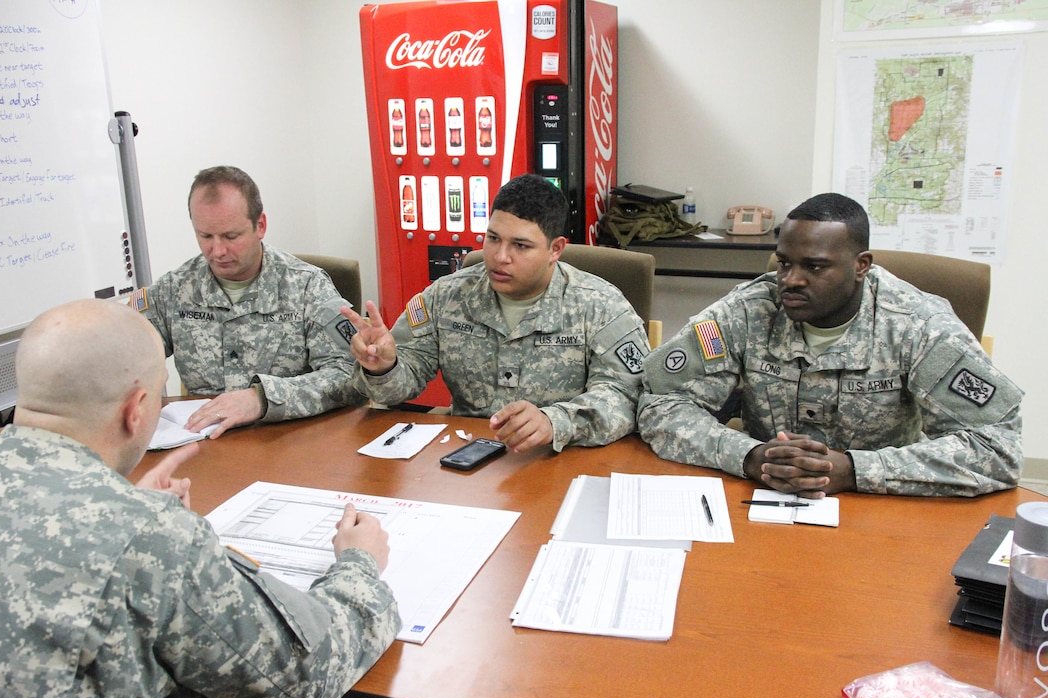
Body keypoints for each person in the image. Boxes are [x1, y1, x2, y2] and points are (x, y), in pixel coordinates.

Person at [0, 299, 399, 698]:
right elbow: (310, 672)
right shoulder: (150, 538)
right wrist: (359, 565)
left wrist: (125, 500)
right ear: (136, 411)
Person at [638, 192, 1024, 497]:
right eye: (784, 263)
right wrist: (751, 456)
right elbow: (660, 404)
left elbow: (998, 448)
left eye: (814, 267)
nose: (790, 280)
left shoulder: (918, 325)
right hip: (763, 499)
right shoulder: (746, 311)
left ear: (862, 265)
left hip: (884, 506)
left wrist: (856, 471)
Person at [341, 174, 649, 453]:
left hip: (561, 457)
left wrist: (555, 421)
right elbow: (397, 388)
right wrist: (383, 367)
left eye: (520, 245)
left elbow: (626, 396)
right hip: (468, 457)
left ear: (555, 249)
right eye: (493, 238)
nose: (500, 257)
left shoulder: (600, 304)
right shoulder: (446, 296)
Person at [132, 165, 364, 439]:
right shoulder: (174, 289)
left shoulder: (306, 286)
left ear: (260, 225)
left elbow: (348, 374)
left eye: (231, 236)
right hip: (205, 446)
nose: (218, 251)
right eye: (205, 236)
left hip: (291, 442)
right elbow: (126, 360)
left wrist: (263, 399)